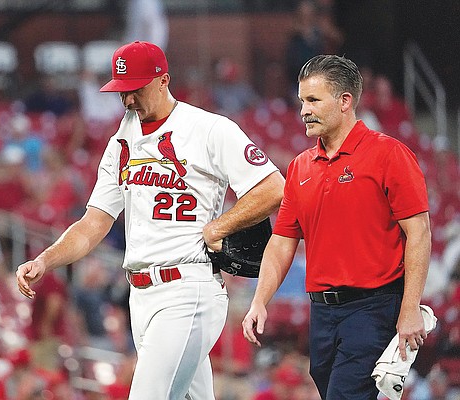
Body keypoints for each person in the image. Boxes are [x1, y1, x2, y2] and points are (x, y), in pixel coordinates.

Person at [16, 40, 285, 399]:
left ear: (163, 80)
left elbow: (274, 186)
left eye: (135, 89)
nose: (127, 100)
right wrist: (45, 258)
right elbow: (94, 222)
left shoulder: (207, 129)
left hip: (187, 288)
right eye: (121, 91)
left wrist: (220, 226)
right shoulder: (121, 141)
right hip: (140, 296)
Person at [242, 54, 431, 400]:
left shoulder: (390, 154)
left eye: (313, 100)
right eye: (301, 101)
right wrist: (260, 300)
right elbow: (283, 241)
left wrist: (410, 307)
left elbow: (418, 232)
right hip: (322, 315)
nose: (303, 111)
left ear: (345, 101)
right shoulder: (300, 167)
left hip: (373, 309)